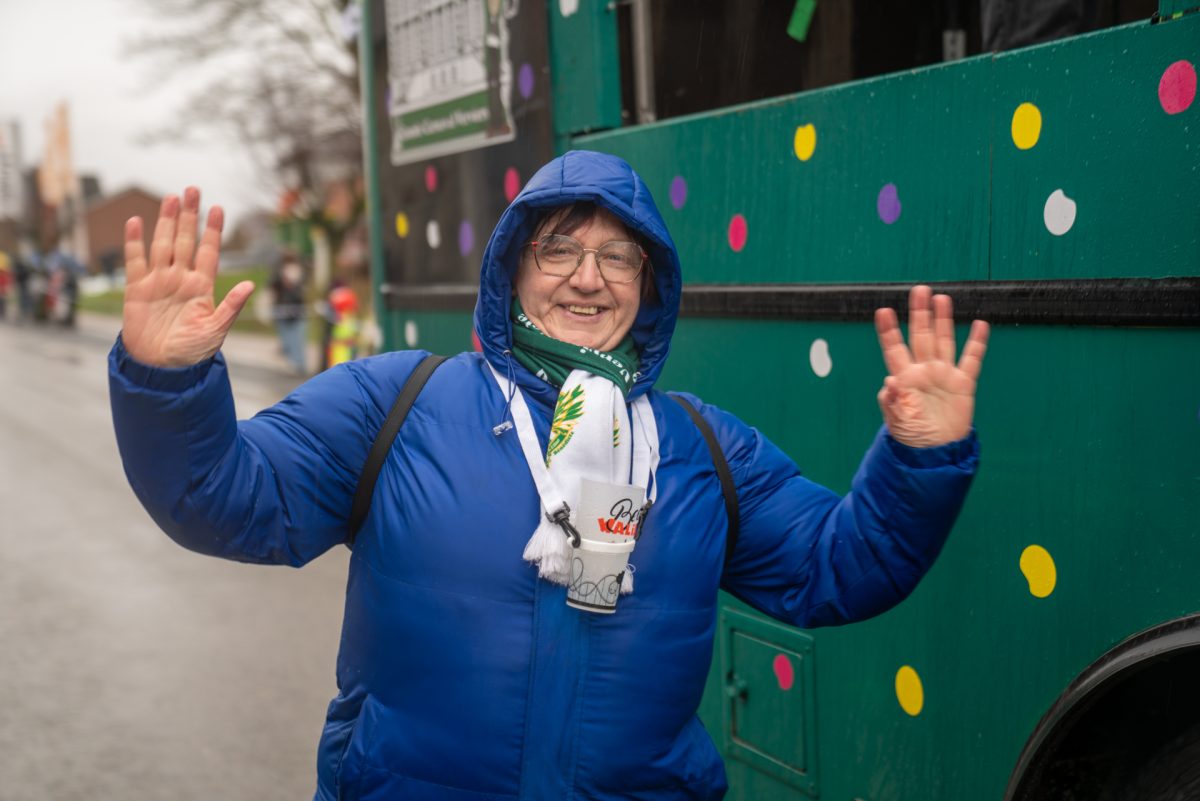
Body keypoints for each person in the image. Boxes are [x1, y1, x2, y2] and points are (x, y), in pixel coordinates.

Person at [109, 150, 988, 800]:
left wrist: (920, 458)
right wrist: (167, 382)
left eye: (619, 257)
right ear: (512, 270)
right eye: (560, 249)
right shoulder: (398, 402)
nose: (589, 278)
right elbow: (221, 497)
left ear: (650, 286)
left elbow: (843, 566)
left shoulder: (703, 449)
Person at [270, 255, 309, 374]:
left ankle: (300, 364)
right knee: (287, 340)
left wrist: (293, 283)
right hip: (282, 311)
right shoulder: (278, 273)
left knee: (298, 339)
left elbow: (302, 291)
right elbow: (272, 286)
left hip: (297, 311)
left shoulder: (300, 273)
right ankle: (292, 361)